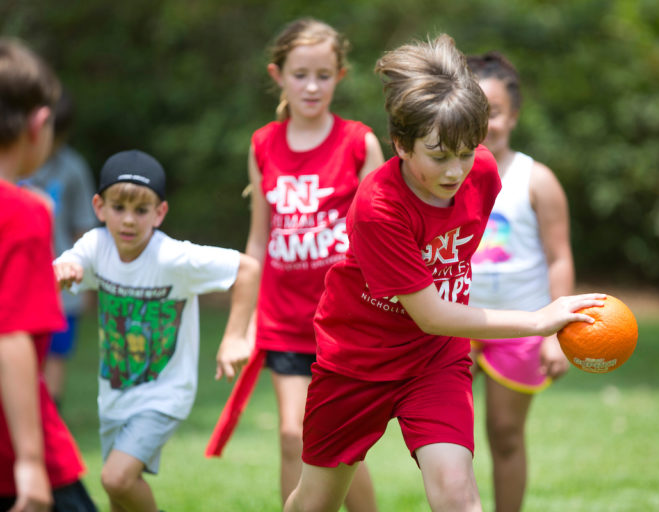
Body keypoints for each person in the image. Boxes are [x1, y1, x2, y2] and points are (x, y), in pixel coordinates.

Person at [283, 34, 604, 512]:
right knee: (316, 503)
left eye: (466, 151)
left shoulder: (484, 174)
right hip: (357, 363)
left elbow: (435, 323)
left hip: (432, 360)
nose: (456, 171)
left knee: (458, 496)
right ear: (401, 144)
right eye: (438, 155)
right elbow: (431, 313)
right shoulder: (378, 206)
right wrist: (539, 319)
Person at [53, 149, 261, 512]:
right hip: (114, 395)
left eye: (141, 210)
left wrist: (234, 337)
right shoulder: (96, 245)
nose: (129, 220)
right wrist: (65, 268)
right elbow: (68, 261)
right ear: (99, 207)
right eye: (118, 208)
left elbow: (247, 269)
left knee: (115, 479)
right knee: (122, 495)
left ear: (160, 213)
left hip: (164, 395)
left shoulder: (173, 258)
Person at [244, 17, 384, 509]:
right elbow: (258, 242)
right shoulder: (263, 144)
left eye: (323, 75)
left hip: (343, 321)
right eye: (300, 73)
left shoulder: (359, 142)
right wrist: (243, 324)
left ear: (340, 77)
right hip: (284, 321)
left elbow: (382, 238)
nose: (311, 86)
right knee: (291, 433)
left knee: (339, 447)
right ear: (277, 74)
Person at [466, 51, 575, 512]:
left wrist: (556, 333)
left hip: (521, 324)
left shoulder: (538, 180)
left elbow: (558, 257)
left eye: (492, 112)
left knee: (505, 434)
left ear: (512, 116)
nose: (484, 123)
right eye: (474, 110)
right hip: (456, 322)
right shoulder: (441, 174)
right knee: (444, 437)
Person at [0, 37, 97, 512]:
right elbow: (10, 337)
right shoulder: (22, 212)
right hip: (10, 448)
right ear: (40, 125)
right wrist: (30, 462)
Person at [21, 88, 99, 408]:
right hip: (19, 280)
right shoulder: (13, 163)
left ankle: (49, 419)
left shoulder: (72, 169)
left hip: (62, 285)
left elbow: (84, 227)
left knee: (55, 357)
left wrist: (89, 278)